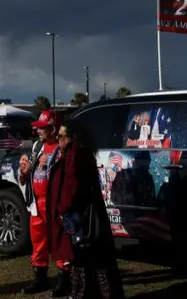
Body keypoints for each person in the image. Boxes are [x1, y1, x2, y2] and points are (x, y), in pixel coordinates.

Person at [47, 118, 124, 298]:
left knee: (85, 255)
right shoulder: (77, 152)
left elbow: (72, 184)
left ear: (72, 137)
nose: (58, 140)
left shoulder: (76, 153)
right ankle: (97, 292)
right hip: (88, 214)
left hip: (84, 217)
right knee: (92, 258)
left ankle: (86, 293)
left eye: (61, 137)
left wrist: (63, 208)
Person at [17, 110, 67, 294]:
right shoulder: (37, 146)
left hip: (55, 203)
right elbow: (25, 175)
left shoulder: (62, 148)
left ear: (52, 129)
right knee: (38, 241)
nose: (38, 131)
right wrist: (24, 171)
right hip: (37, 203)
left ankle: (65, 278)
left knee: (59, 240)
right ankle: (40, 278)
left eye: (42, 128)